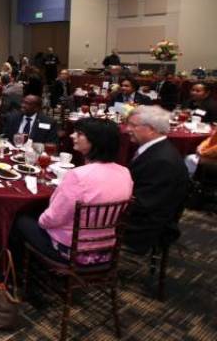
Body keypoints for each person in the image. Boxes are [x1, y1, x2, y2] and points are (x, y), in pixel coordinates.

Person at [10, 118, 133, 264]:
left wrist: (40, 220)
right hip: (106, 248)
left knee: (19, 218)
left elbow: (52, 218)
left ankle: (14, 269)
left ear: (95, 141)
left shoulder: (78, 176)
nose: (72, 136)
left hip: (72, 250)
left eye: (79, 134)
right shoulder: (125, 172)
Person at [124, 106, 190, 254]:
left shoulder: (162, 161)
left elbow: (145, 204)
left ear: (151, 129)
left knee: (83, 218)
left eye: (133, 125)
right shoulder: (156, 149)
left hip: (144, 227)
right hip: (142, 214)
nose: (127, 129)